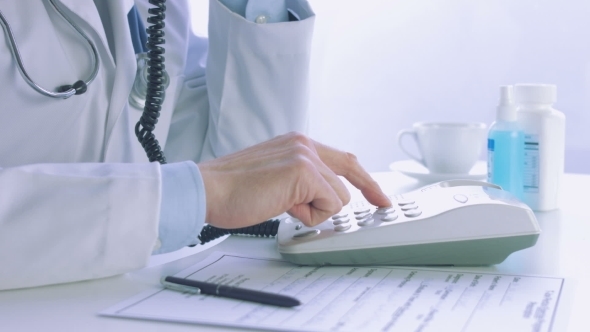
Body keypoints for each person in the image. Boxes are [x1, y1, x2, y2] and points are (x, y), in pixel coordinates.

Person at [0, 0, 390, 290]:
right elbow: (204, 188)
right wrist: (200, 191)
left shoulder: (159, 9)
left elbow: (245, 179)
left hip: (100, 302)